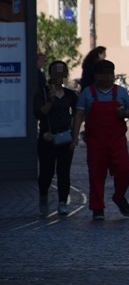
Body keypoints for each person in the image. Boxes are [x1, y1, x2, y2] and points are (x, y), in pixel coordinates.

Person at [71, 59, 129, 220]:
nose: (108, 77)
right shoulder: (87, 93)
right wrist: (74, 138)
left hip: (117, 140)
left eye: (110, 74)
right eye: (104, 74)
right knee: (96, 174)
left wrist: (125, 114)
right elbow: (79, 115)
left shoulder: (120, 92)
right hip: (95, 142)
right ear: (97, 76)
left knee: (124, 169)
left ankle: (119, 196)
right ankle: (97, 207)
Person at [36, 60, 77, 216]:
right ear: (50, 74)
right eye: (55, 72)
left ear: (65, 74)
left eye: (62, 72)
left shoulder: (70, 95)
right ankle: (44, 195)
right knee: (46, 173)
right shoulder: (43, 93)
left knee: (63, 171)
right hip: (47, 138)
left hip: (65, 138)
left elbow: (79, 113)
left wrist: (74, 134)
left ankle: (62, 203)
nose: (59, 76)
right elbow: (40, 113)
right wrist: (50, 101)